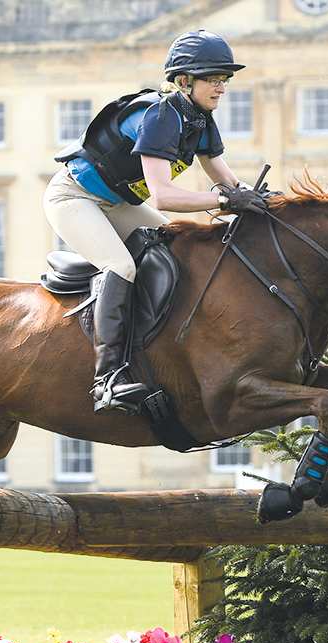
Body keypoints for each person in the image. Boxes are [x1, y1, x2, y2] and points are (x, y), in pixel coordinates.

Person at [46, 29, 270, 412]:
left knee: (175, 249)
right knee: (121, 265)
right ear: (186, 81)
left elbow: (226, 178)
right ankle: (108, 379)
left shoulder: (199, 118)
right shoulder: (160, 116)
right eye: (214, 79)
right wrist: (225, 199)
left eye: (225, 79)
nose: (222, 87)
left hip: (117, 202)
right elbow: (165, 196)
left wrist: (262, 199)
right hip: (74, 198)